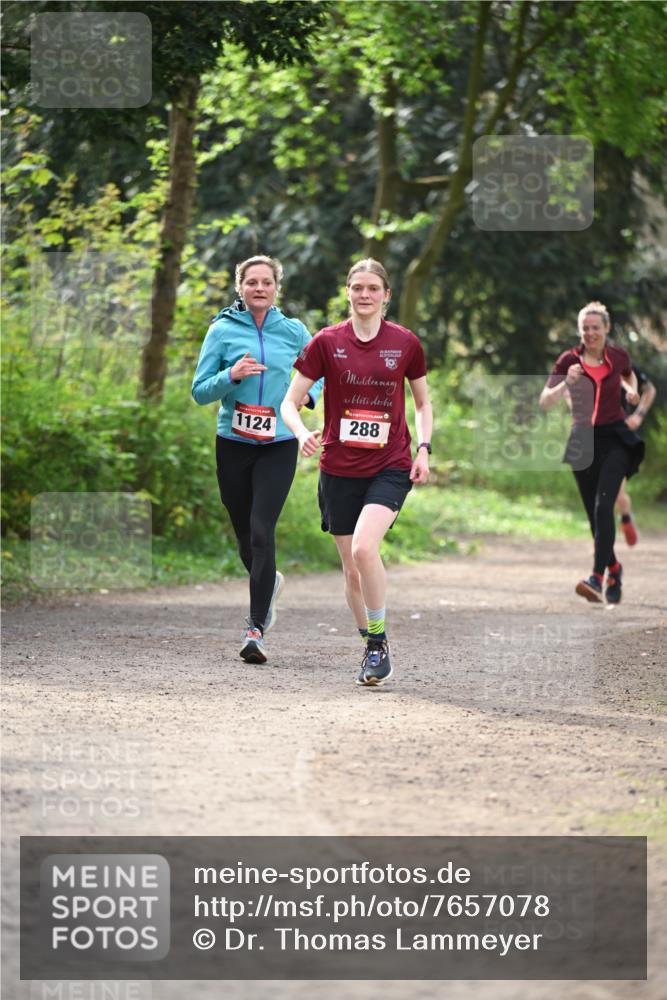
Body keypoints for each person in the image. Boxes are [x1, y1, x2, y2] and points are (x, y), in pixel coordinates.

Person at [281, 258, 432, 686]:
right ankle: (369, 640)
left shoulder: (405, 343)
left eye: (373, 288)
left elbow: (422, 403)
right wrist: (298, 433)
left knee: (366, 550)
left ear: (386, 295)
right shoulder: (326, 342)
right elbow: (290, 402)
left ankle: (377, 645)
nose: (364, 295)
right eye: (357, 287)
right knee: (350, 570)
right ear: (347, 292)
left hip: (390, 464)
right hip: (338, 467)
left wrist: (423, 449)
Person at [192, 255, 322, 664]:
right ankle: (270, 582)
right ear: (240, 287)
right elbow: (199, 390)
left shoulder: (294, 331)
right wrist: (232, 375)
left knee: (262, 530)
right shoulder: (222, 330)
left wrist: (308, 396)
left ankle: (255, 628)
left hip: (278, 442)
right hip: (233, 441)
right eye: (252, 282)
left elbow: (316, 373)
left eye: (267, 282)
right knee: (245, 536)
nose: (259, 288)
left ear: (276, 288)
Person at [540, 301, 645, 605]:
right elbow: (545, 401)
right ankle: (615, 568)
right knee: (594, 518)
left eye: (595, 327)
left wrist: (631, 390)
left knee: (603, 508)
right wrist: (565, 385)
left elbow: (628, 375)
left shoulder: (618, 356)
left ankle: (596, 578)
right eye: (585, 328)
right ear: (580, 330)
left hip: (615, 438)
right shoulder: (568, 360)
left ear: (606, 329)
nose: (590, 332)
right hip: (582, 440)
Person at [615, 364, 656, 545]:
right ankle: (600, 544)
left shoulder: (624, 364)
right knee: (597, 495)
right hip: (593, 437)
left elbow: (649, 390)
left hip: (619, 436)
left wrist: (638, 414)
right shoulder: (583, 365)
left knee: (616, 494)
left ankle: (625, 516)